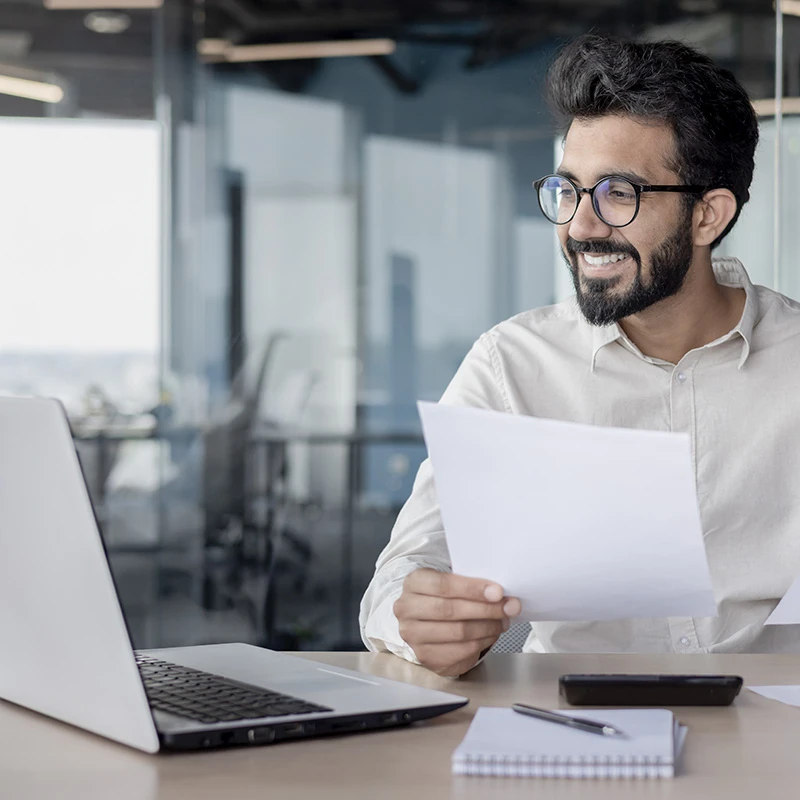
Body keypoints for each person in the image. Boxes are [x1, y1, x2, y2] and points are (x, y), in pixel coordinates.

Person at [359, 34, 800, 677]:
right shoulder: (513, 366)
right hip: (570, 733)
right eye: (568, 191)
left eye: (618, 194)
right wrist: (416, 614)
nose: (580, 226)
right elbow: (405, 571)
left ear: (709, 215)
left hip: (776, 734)